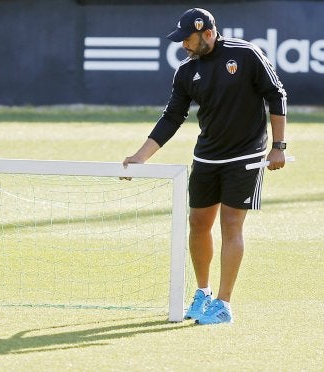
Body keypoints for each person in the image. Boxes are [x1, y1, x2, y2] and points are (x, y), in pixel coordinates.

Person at [122, 8, 287, 324]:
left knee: (230, 225)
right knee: (198, 223)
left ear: (207, 33)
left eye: (187, 38)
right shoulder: (185, 72)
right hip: (206, 157)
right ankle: (202, 293)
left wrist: (278, 146)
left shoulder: (246, 54)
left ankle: (223, 304)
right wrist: (140, 156)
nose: (183, 44)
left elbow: (276, 94)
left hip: (246, 157)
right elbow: (172, 117)